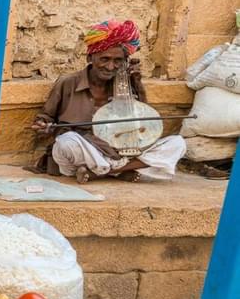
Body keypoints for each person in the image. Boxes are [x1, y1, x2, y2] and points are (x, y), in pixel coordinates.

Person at [32, 19, 186, 183]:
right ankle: (122, 170)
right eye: (104, 59)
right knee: (65, 142)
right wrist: (43, 126)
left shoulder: (125, 85)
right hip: (87, 150)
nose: (111, 67)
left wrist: (138, 85)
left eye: (118, 61)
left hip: (121, 151)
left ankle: (103, 172)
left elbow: (143, 124)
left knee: (177, 143)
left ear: (124, 62)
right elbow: (45, 118)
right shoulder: (68, 83)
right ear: (90, 57)